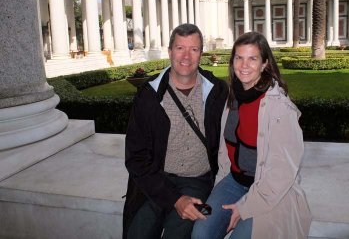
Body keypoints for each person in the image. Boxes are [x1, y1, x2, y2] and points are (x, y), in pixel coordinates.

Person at [192, 32, 312, 239]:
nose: (244, 65)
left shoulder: (280, 108)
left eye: (252, 58)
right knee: (201, 233)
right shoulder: (232, 97)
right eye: (239, 57)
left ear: (264, 63)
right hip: (234, 182)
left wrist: (245, 207)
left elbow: (282, 173)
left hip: (268, 189)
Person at [123, 23, 228, 239]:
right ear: (170, 51)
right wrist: (174, 199)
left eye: (194, 49)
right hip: (156, 180)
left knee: (178, 234)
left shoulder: (217, 91)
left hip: (197, 180)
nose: (186, 56)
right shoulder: (149, 95)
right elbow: (136, 157)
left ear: (201, 54)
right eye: (180, 48)